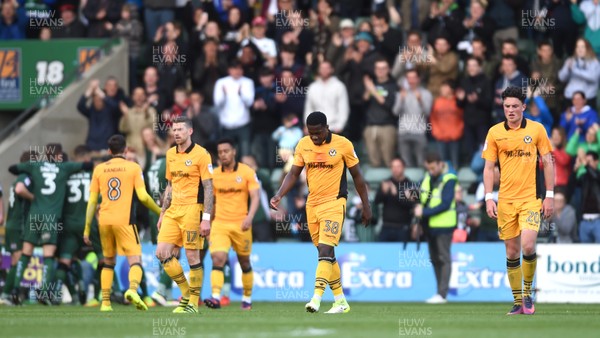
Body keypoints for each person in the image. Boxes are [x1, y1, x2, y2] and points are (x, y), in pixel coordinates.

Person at [270, 111, 372, 314]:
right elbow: (293, 173)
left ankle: (316, 298)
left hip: (335, 203)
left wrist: (366, 205)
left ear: (327, 128)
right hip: (312, 205)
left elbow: (358, 176)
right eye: (311, 132)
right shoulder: (303, 144)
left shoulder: (343, 144)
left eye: (318, 132)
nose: (314, 136)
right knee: (326, 254)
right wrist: (279, 194)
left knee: (325, 250)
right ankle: (341, 301)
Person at [482, 86, 554, 315]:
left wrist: (549, 196)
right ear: (502, 107)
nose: (511, 110)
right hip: (505, 201)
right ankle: (516, 301)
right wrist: (488, 197)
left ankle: (526, 293)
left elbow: (548, 162)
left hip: (531, 199)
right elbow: (488, 167)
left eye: (515, 106)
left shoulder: (537, 129)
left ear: (524, 107)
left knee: (528, 245)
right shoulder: (494, 133)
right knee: (512, 252)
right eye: (506, 106)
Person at [8, 144, 93, 305]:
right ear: (59, 155)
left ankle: (15, 288)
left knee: (26, 253)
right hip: (51, 217)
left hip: (34, 215)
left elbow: (12, 168)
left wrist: (28, 172)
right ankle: (44, 289)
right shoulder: (65, 167)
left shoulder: (35, 165)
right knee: (49, 255)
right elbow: (88, 164)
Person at [83, 135, 161, 312]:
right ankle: (133, 290)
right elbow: (142, 197)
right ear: (125, 150)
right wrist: (159, 210)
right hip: (124, 221)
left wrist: (87, 228)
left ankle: (105, 303)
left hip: (104, 221)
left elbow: (92, 202)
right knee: (135, 261)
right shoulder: (133, 167)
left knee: (109, 262)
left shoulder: (99, 169)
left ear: (109, 151)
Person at [155, 116, 214, 314]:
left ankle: (193, 304)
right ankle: (186, 293)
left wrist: (206, 218)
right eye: (174, 129)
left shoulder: (202, 154)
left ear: (190, 131)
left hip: (192, 209)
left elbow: (209, 187)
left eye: (180, 129)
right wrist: (163, 213)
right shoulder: (170, 154)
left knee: (191, 256)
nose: (176, 132)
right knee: (162, 253)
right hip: (173, 210)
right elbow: (170, 186)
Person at [204, 139, 260, 310]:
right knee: (218, 258)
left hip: (241, 224)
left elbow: (255, 196)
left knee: (244, 262)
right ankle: (215, 297)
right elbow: (211, 202)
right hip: (220, 224)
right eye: (220, 152)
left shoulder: (246, 172)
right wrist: (207, 222)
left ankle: (247, 298)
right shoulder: (214, 174)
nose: (223, 154)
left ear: (234, 151)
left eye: (226, 151)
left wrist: (250, 217)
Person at [414, 152, 457, 304]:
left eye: (433, 168)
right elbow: (421, 194)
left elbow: (445, 203)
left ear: (440, 163)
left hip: (444, 225)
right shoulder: (427, 177)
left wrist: (424, 212)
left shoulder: (449, 179)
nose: (431, 171)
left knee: (443, 258)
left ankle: (442, 294)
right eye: (428, 168)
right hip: (429, 225)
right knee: (435, 259)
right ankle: (439, 292)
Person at [56, 146, 93, 305]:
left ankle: (56, 293)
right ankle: (105, 294)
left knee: (65, 260)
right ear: (86, 158)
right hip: (88, 225)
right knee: (102, 257)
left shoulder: (65, 176)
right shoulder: (93, 175)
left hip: (68, 224)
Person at [0, 152, 33, 305]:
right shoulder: (24, 178)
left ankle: (8, 294)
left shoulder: (18, 179)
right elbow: (21, 191)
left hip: (12, 224)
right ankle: (9, 294)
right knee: (19, 259)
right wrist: (34, 198)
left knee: (15, 261)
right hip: (17, 225)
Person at [374, 157, 416, 242]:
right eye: (393, 167)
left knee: (401, 254)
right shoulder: (387, 182)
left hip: (403, 228)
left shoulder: (410, 185)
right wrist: (383, 192)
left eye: (398, 166)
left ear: (404, 168)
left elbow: (412, 205)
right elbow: (377, 201)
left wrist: (396, 194)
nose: (395, 169)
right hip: (386, 226)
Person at [575, 151, 600, 243]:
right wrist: (576, 169)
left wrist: (585, 165)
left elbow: (595, 176)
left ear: (596, 161)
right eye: (587, 162)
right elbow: (573, 185)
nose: (587, 164)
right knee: (585, 251)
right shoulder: (584, 177)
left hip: (598, 220)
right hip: (584, 221)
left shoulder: (598, 175)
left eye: (589, 161)